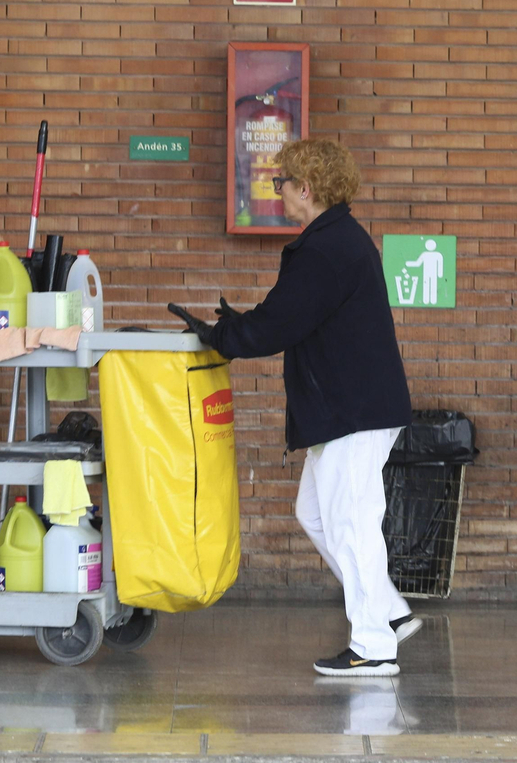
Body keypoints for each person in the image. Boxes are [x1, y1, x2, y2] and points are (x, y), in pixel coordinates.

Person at [171, 137, 422, 676]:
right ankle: (388, 611)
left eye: (281, 182)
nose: (277, 190)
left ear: (305, 189)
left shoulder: (327, 249)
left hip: (353, 412)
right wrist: (238, 327)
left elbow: (280, 323)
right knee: (315, 513)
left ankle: (374, 646)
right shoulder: (334, 242)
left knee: (351, 524)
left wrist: (222, 336)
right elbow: (290, 315)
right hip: (349, 410)